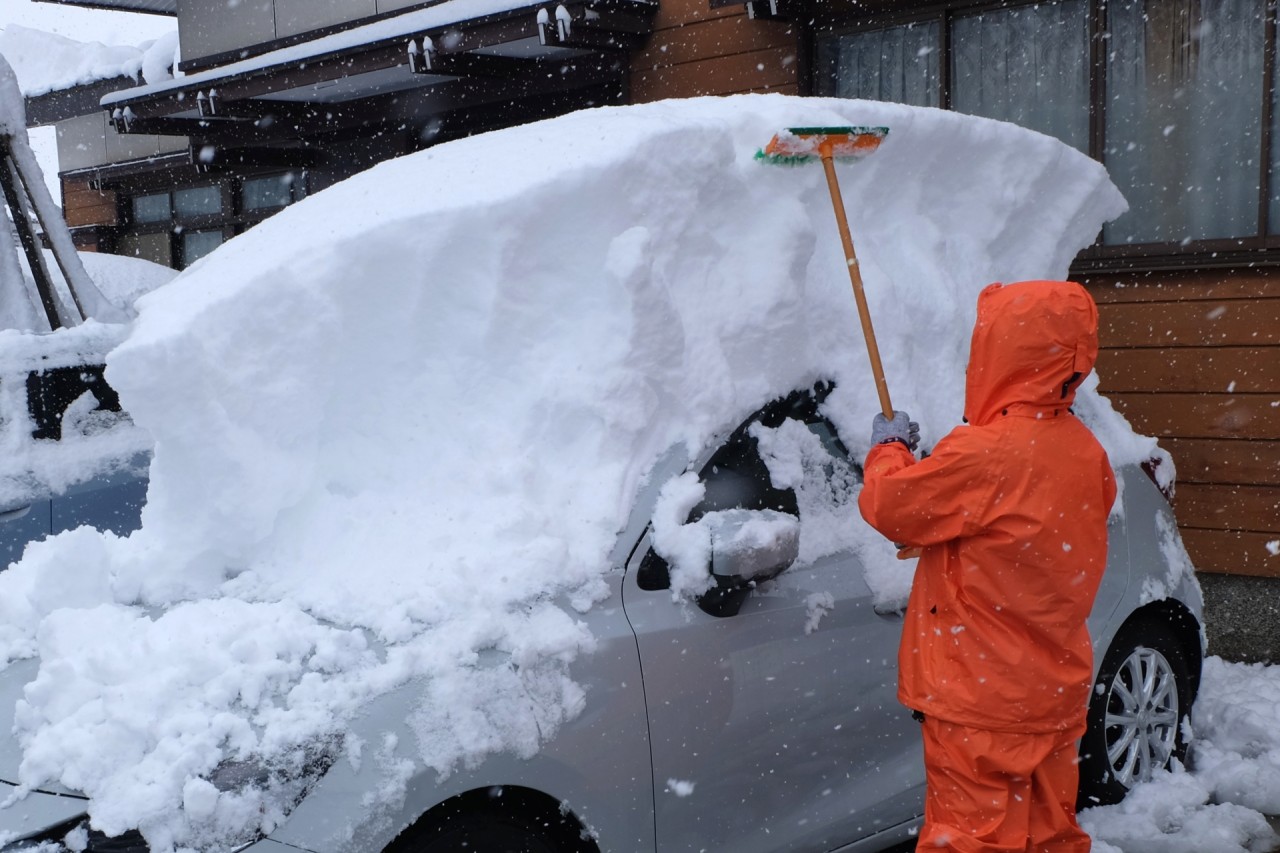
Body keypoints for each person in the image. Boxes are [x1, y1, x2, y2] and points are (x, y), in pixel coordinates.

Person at [858, 279, 1117, 853]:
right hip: (1050, 692)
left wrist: (889, 448)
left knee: (971, 840)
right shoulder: (1083, 450)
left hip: (981, 700)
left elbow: (890, 506)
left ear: (1001, 352)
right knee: (1049, 836)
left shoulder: (986, 452)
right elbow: (1012, 533)